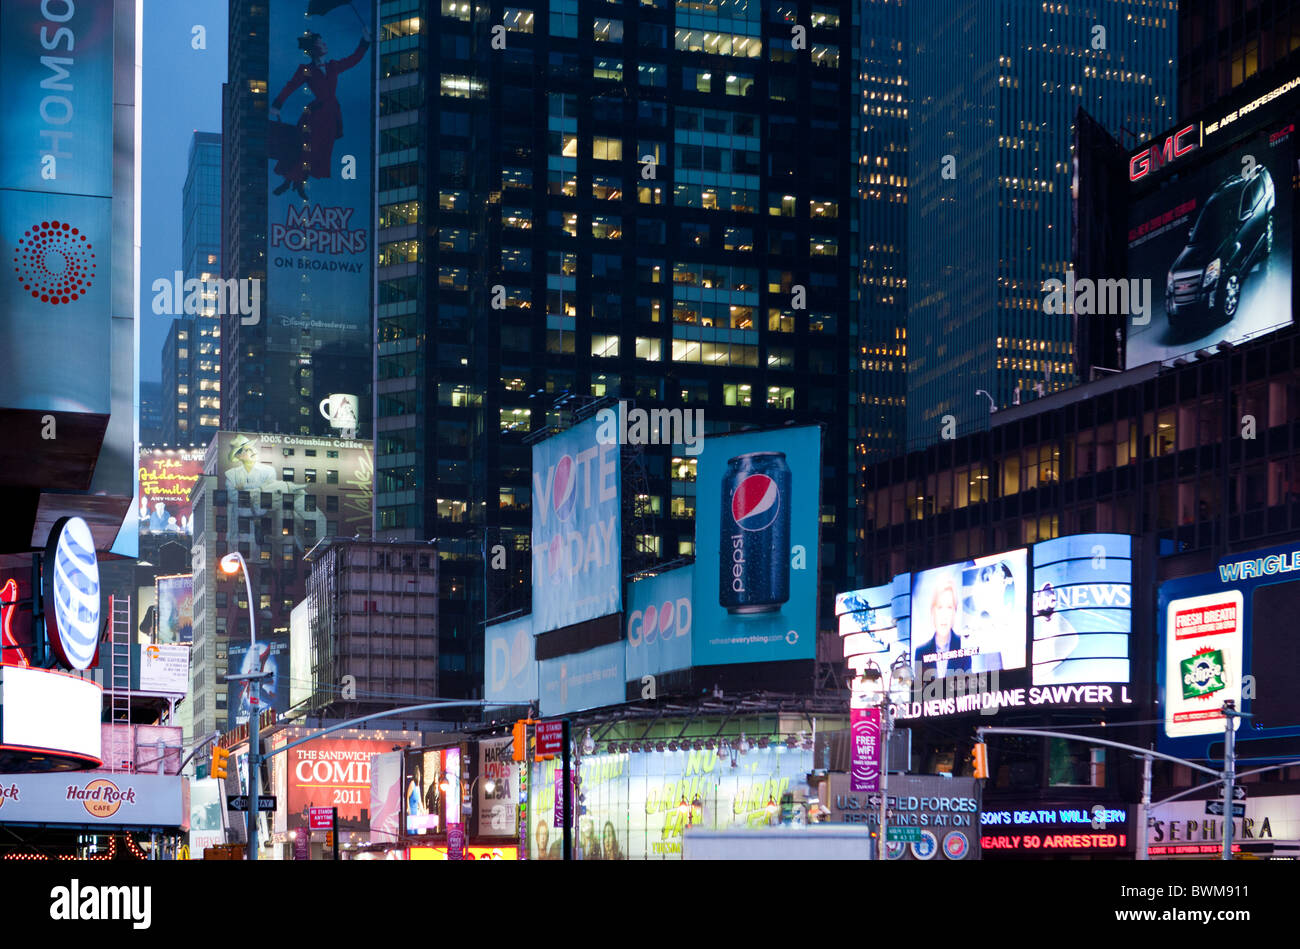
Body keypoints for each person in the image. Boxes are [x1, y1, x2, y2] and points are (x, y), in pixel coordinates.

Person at [269, 27, 372, 200]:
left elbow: (354, 59)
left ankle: (299, 183)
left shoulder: (333, 66)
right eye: (320, 42)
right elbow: (291, 85)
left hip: (330, 115)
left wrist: (365, 41)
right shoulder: (307, 69)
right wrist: (277, 104)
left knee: (320, 152)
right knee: (304, 147)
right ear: (314, 49)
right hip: (315, 114)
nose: (324, 44)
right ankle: (289, 181)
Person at [913, 581, 971, 677]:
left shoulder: (964, 647)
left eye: (949, 607)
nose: (944, 615)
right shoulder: (921, 652)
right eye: (939, 607)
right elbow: (920, 688)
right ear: (932, 612)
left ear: (955, 612)